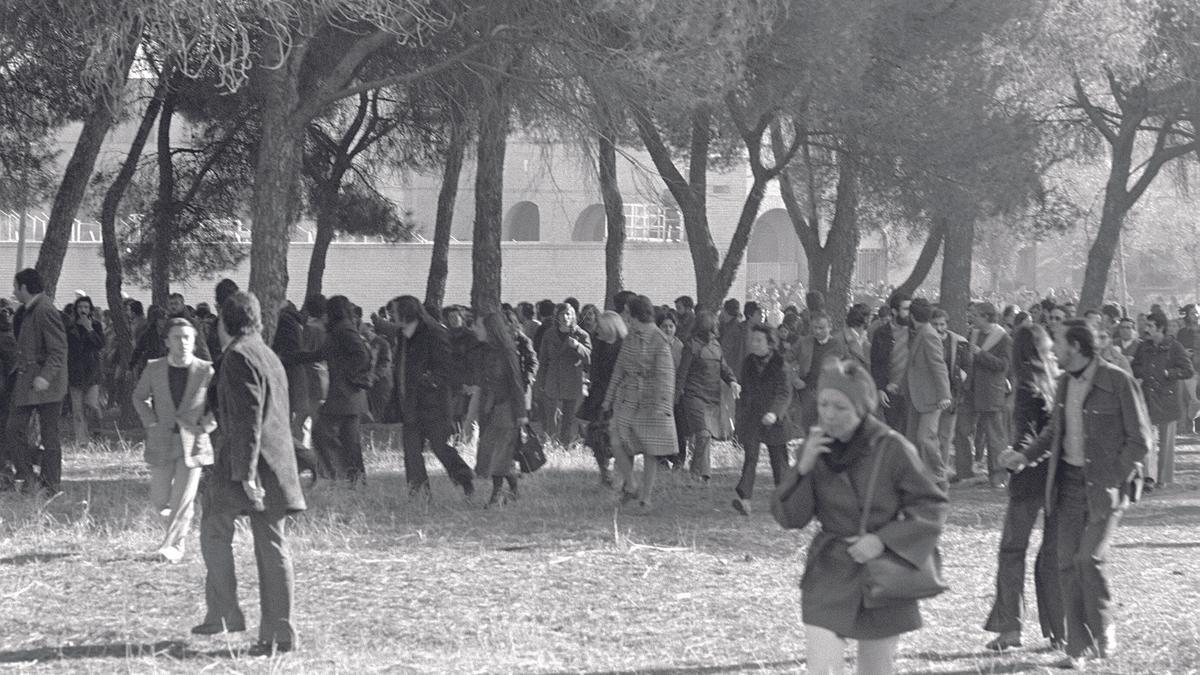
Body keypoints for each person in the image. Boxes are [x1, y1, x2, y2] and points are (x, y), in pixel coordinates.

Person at [771, 359, 948, 675]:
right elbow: (790, 518)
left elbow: (930, 506)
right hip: (831, 567)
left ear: (861, 408)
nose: (828, 414)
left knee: (875, 670)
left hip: (881, 574)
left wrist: (882, 541)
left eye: (840, 407)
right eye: (824, 403)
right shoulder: (816, 446)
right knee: (822, 667)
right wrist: (803, 467)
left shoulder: (891, 447)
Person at [1000, 319, 1151, 669]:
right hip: (1066, 485)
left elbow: (1140, 440)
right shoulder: (1065, 383)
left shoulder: (1118, 381)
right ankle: (1077, 648)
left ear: (1077, 347)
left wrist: (1115, 476)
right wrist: (1024, 456)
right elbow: (1054, 431)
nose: (1053, 350)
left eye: (1058, 344)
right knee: (1066, 564)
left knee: (1088, 559)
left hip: (1106, 487)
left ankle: (1103, 630)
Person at [194, 291, 306, 657]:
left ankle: (226, 613)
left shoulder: (239, 357)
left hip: (249, 466)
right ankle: (278, 632)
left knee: (213, 528)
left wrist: (245, 475)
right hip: (273, 464)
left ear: (223, 322)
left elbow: (247, 420)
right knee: (270, 544)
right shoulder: (265, 353)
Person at [982, 324, 1064, 652]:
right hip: (1057, 476)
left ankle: (1010, 628)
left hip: (1029, 477)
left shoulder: (1027, 386)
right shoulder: (1057, 381)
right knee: (1051, 556)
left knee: (1012, 551)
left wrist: (1014, 456)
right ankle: (1060, 630)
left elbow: (1029, 433)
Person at [132, 318, 216, 563]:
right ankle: (172, 521)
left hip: (193, 442)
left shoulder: (206, 370)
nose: (183, 343)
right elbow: (139, 397)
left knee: (183, 498)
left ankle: (173, 547)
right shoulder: (154, 368)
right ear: (167, 342)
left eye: (187, 337)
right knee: (160, 497)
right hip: (162, 439)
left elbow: (220, 404)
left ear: (195, 341)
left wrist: (206, 426)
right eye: (177, 338)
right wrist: (150, 422)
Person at [376, 296, 475, 497]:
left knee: (440, 447)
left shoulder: (434, 333)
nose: (392, 315)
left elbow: (447, 368)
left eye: (395, 311)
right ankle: (419, 493)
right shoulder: (405, 334)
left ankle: (464, 478)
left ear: (406, 312)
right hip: (410, 403)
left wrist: (429, 381)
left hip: (434, 404)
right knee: (411, 451)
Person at [284, 296, 373, 482]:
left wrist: (348, 376)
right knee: (349, 441)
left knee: (322, 433)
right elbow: (321, 354)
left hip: (344, 394)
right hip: (349, 395)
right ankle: (353, 479)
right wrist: (292, 358)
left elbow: (362, 355)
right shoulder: (342, 329)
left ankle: (334, 474)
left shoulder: (342, 330)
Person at [603, 295, 679, 513]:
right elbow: (619, 369)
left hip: (652, 401)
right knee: (616, 438)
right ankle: (631, 484)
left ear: (636, 315)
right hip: (629, 397)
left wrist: (662, 405)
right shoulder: (630, 338)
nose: (626, 317)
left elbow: (665, 376)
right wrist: (608, 399)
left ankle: (646, 498)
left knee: (650, 450)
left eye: (628, 313)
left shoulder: (659, 339)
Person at [2, 269, 68, 495]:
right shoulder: (29, 310)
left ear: (25, 288)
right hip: (28, 383)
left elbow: (58, 350)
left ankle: (51, 484)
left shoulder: (44, 310)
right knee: (13, 430)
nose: (13, 291)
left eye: (15, 286)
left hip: (46, 385)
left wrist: (45, 377)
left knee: (50, 436)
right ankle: (29, 478)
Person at [731, 324, 790, 516]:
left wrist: (774, 413)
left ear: (771, 344)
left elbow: (784, 393)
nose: (753, 343)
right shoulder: (749, 362)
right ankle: (744, 500)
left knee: (779, 462)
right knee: (751, 459)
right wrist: (741, 415)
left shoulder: (781, 364)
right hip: (753, 418)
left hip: (775, 420)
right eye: (752, 339)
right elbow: (746, 390)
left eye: (759, 340)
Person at [1130, 312, 1193, 488]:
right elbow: (1135, 366)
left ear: (1160, 328)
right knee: (1147, 439)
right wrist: (1143, 373)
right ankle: (1148, 477)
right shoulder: (1143, 347)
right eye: (1146, 326)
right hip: (1147, 398)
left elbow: (1188, 371)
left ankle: (1163, 478)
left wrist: (1168, 373)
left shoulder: (1175, 347)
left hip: (1168, 399)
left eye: (1150, 326)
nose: (1146, 329)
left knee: (1166, 442)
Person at [472, 312, 528, 506]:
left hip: (506, 408)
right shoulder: (485, 351)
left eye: (479, 326)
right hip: (490, 407)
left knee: (499, 452)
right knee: (493, 450)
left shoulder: (507, 352)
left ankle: (497, 494)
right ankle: (513, 490)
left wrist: (521, 413)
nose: (475, 330)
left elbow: (516, 383)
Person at [676, 310, 740, 482]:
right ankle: (698, 473)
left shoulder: (716, 346)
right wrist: (675, 397)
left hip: (712, 397)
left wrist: (733, 381)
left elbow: (724, 368)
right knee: (703, 434)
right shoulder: (691, 346)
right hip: (694, 396)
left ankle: (701, 474)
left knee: (706, 436)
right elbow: (682, 374)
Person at [905, 298, 952, 487]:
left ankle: (939, 476)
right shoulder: (922, 333)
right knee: (914, 439)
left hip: (932, 398)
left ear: (911, 316)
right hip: (920, 396)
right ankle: (923, 478)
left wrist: (944, 395)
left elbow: (939, 366)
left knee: (926, 439)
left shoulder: (928, 335)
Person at [965, 302, 1012, 487]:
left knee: (994, 437)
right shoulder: (973, 334)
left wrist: (981, 354)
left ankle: (998, 476)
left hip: (991, 393)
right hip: (971, 389)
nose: (971, 318)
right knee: (964, 430)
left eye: (975, 315)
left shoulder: (1003, 338)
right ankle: (965, 471)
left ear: (986, 316)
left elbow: (1003, 366)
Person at [577, 311, 626, 485]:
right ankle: (605, 472)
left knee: (617, 438)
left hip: (619, 397)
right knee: (596, 435)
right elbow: (594, 369)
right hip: (599, 395)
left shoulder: (623, 346)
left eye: (600, 326)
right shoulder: (598, 344)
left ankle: (621, 474)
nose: (597, 329)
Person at [536, 303, 591, 446]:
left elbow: (589, 357)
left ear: (574, 316)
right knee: (551, 418)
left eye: (569, 314)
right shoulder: (549, 334)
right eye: (563, 314)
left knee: (568, 418)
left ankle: (565, 447)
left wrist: (578, 346)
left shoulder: (581, 334)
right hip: (553, 379)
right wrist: (540, 382)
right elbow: (543, 361)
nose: (566, 317)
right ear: (557, 316)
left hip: (572, 379)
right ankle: (551, 445)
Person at [787, 310, 846, 439]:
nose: (817, 331)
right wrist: (794, 377)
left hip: (829, 391)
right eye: (815, 328)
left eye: (821, 328)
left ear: (830, 327)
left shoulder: (837, 345)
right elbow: (785, 360)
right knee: (809, 426)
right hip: (807, 390)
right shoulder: (804, 342)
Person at [931, 308, 971, 482]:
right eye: (935, 324)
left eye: (942, 324)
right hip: (930, 394)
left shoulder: (957, 342)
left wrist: (962, 376)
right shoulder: (926, 340)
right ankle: (931, 471)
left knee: (945, 436)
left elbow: (967, 364)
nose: (939, 328)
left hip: (951, 394)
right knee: (930, 435)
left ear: (946, 325)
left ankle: (941, 472)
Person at [870, 292, 912, 432]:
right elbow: (876, 363)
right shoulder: (881, 333)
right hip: (890, 392)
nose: (910, 313)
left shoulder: (916, 332)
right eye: (906, 309)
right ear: (894, 311)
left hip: (911, 392)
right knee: (893, 433)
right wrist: (880, 388)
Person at [67, 295, 106, 443]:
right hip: (75, 372)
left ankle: (97, 433)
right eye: (80, 307)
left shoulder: (96, 325)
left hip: (92, 371)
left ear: (90, 309)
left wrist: (89, 329)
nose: (83, 310)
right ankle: (82, 441)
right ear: (76, 309)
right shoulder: (70, 327)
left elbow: (100, 344)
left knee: (92, 405)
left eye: (86, 307)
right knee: (77, 409)